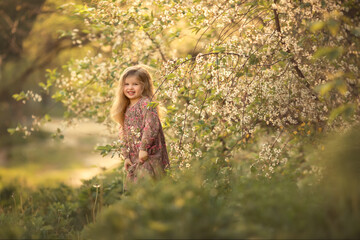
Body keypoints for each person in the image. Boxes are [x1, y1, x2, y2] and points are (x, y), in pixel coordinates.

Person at [110, 65, 170, 191]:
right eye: (126, 84)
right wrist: (126, 156)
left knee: (148, 186)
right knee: (135, 189)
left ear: (144, 86)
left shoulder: (146, 103)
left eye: (135, 84)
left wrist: (144, 148)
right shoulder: (126, 106)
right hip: (133, 156)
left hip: (148, 154)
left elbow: (151, 126)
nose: (130, 88)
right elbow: (123, 132)